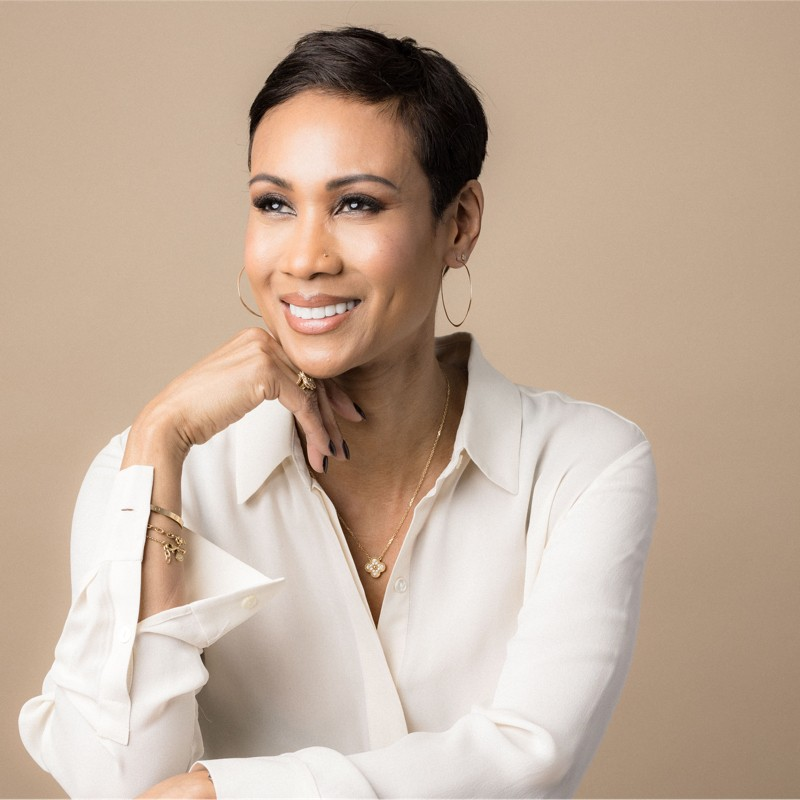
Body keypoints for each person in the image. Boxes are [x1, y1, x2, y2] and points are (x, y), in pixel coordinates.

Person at [19, 27, 657, 799]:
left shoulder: (582, 464)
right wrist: (161, 439)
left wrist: (224, 793)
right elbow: (117, 783)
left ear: (459, 223)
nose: (305, 258)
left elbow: (530, 759)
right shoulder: (151, 474)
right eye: (274, 204)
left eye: (356, 204)